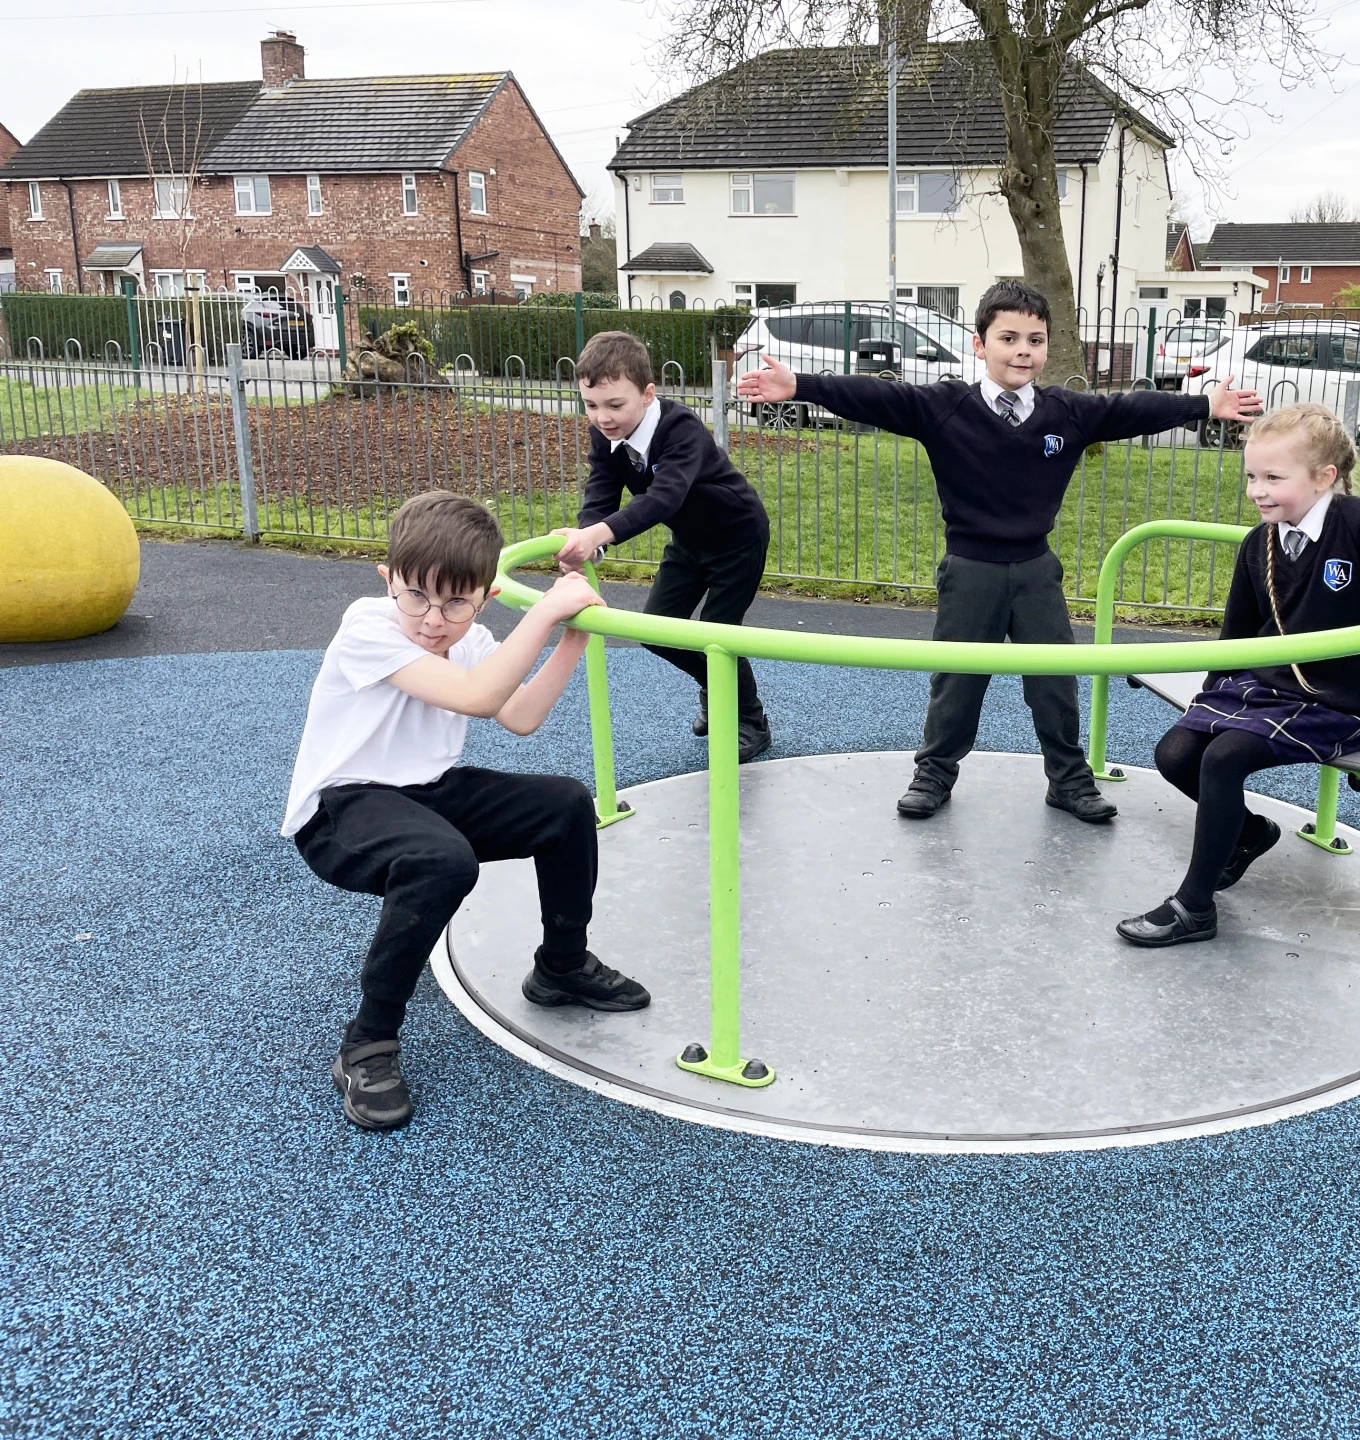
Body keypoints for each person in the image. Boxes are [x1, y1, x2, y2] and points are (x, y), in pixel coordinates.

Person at [736, 280, 1261, 823]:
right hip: (970, 569)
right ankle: (935, 772)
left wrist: (1204, 403)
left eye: (1035, 340)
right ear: (979, 345)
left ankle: (1068, 778)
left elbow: (1129, 408)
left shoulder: (1066, 413)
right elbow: (877, 396)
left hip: (1035, 569)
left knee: (1054, 681)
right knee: (957, 681)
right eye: (1008, 338)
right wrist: (799, 383)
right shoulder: (945, 407)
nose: (1023, 350)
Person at [284, 491, 651, 1131]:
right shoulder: (366, 625)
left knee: (564, 803)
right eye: (417, 596)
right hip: (341, 809)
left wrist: (570, 634)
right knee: (442, 861)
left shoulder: (473, 638)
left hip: (426, 791)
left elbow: (521, 715)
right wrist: (542, 615)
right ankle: (367, 1043)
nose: (433, 618)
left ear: (483, 597)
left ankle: (561, 968)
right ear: (387, 580)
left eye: (456, 602)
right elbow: (480, 698)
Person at [1116, 403, 1360, 951]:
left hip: (1338, 701)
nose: (1258, 489)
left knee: (1224, 759)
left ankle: (1195, 906)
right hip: (1267, 686)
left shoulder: (1357, 523)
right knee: (1176, 754)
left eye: (1274, 477)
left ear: (1325, 478)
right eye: (1252, 476)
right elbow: (1236, 633)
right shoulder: (1262, 542)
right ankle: (1249, 834)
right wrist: (1207, 704)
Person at [549, 330, 774, 762]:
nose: (603, 417)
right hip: (689, 541)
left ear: (648, 394)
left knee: (717, 633)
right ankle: (715, 686)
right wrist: (586, 541)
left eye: (616, 405)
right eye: (591, 405)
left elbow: (664, 497)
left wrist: (600, 534)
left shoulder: (679, 428)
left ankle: (750, 720)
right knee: (658, 629)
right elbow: (600, 490)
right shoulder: (606, 435)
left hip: (737, 537)